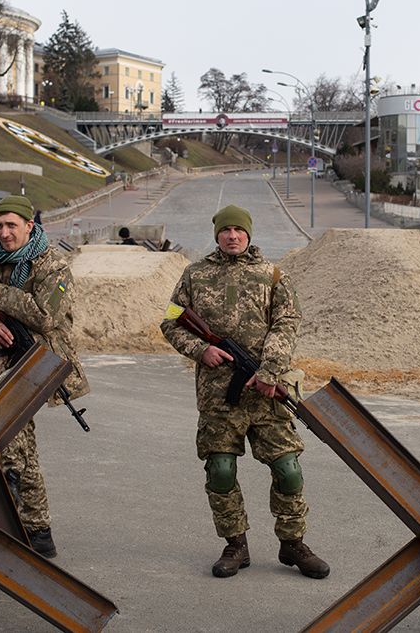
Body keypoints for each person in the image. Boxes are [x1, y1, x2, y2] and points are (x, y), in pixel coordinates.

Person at [160, 205, 329, 580]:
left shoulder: (273, 276)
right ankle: (235, 544)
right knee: (221, 470)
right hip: (218, 397)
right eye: (225, 230)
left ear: (249, 234)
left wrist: (269, 371)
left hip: (268, 392)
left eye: (239, 230)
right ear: (217, 234)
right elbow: (170, 322)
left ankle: (293, 543)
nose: (232, 236)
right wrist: (199, 349)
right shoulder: (193, 275)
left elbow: (288, 325)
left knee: (288, 470)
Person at [0, 195, 89, 559]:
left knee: (10, 445)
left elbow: (45, 316)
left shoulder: (53, 267)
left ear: (31, 226)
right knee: (20, 445)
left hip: (36, 367)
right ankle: (38, 532)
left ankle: (6, 522)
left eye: (12, 225)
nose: (4, 232)